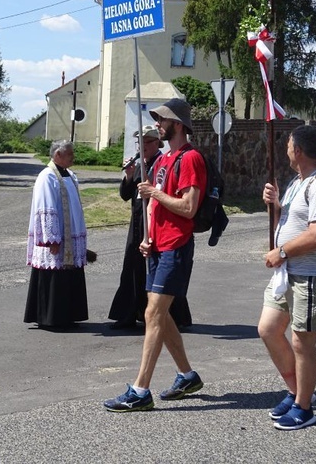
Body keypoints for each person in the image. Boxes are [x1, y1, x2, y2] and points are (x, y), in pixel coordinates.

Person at [104, 98, 206, 412]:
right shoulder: (163, 161)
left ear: (178, 123)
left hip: (176, 246)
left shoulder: (190, 159)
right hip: (158, 247)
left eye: (162, 120)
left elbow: (189, 208)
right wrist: (148, 236)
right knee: (158, 314)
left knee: (153, 315)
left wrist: (156, 194)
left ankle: (140, 390)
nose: (158, 125)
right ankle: (187, 376)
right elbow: (152, 204)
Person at [259, 125, 316, 430]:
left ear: (299, 151)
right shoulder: (298, 181)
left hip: (312, 274)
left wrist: (281, 251)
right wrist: (276, 205)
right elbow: (289, 221)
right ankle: (296, 391)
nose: (286, 150)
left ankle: (304, 407)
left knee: (302, 343)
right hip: (289, 273)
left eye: (289, 146)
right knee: (268, 329)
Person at [108, 125, 192, 330]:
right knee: (131, 267)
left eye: (147, 141)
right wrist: (128, 175)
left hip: (157, 222)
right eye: (140, 142)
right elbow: (126, 194)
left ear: (157, 143)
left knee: (160, 273)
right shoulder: (139, 164)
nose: (143, 146)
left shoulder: (161, 163)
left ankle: (174, 317)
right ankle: (128, 314)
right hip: (136, 223)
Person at [24, 140, 89, 329]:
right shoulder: (47, 177)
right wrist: (51, 238)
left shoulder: (69, 175)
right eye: (69, 154)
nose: (73, 157)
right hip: (57, 237)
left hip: (71, 234)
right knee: (54, 275)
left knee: (69, 276)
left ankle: (68, 315)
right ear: (58, 155)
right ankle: (51, 317)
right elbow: (46, 207)